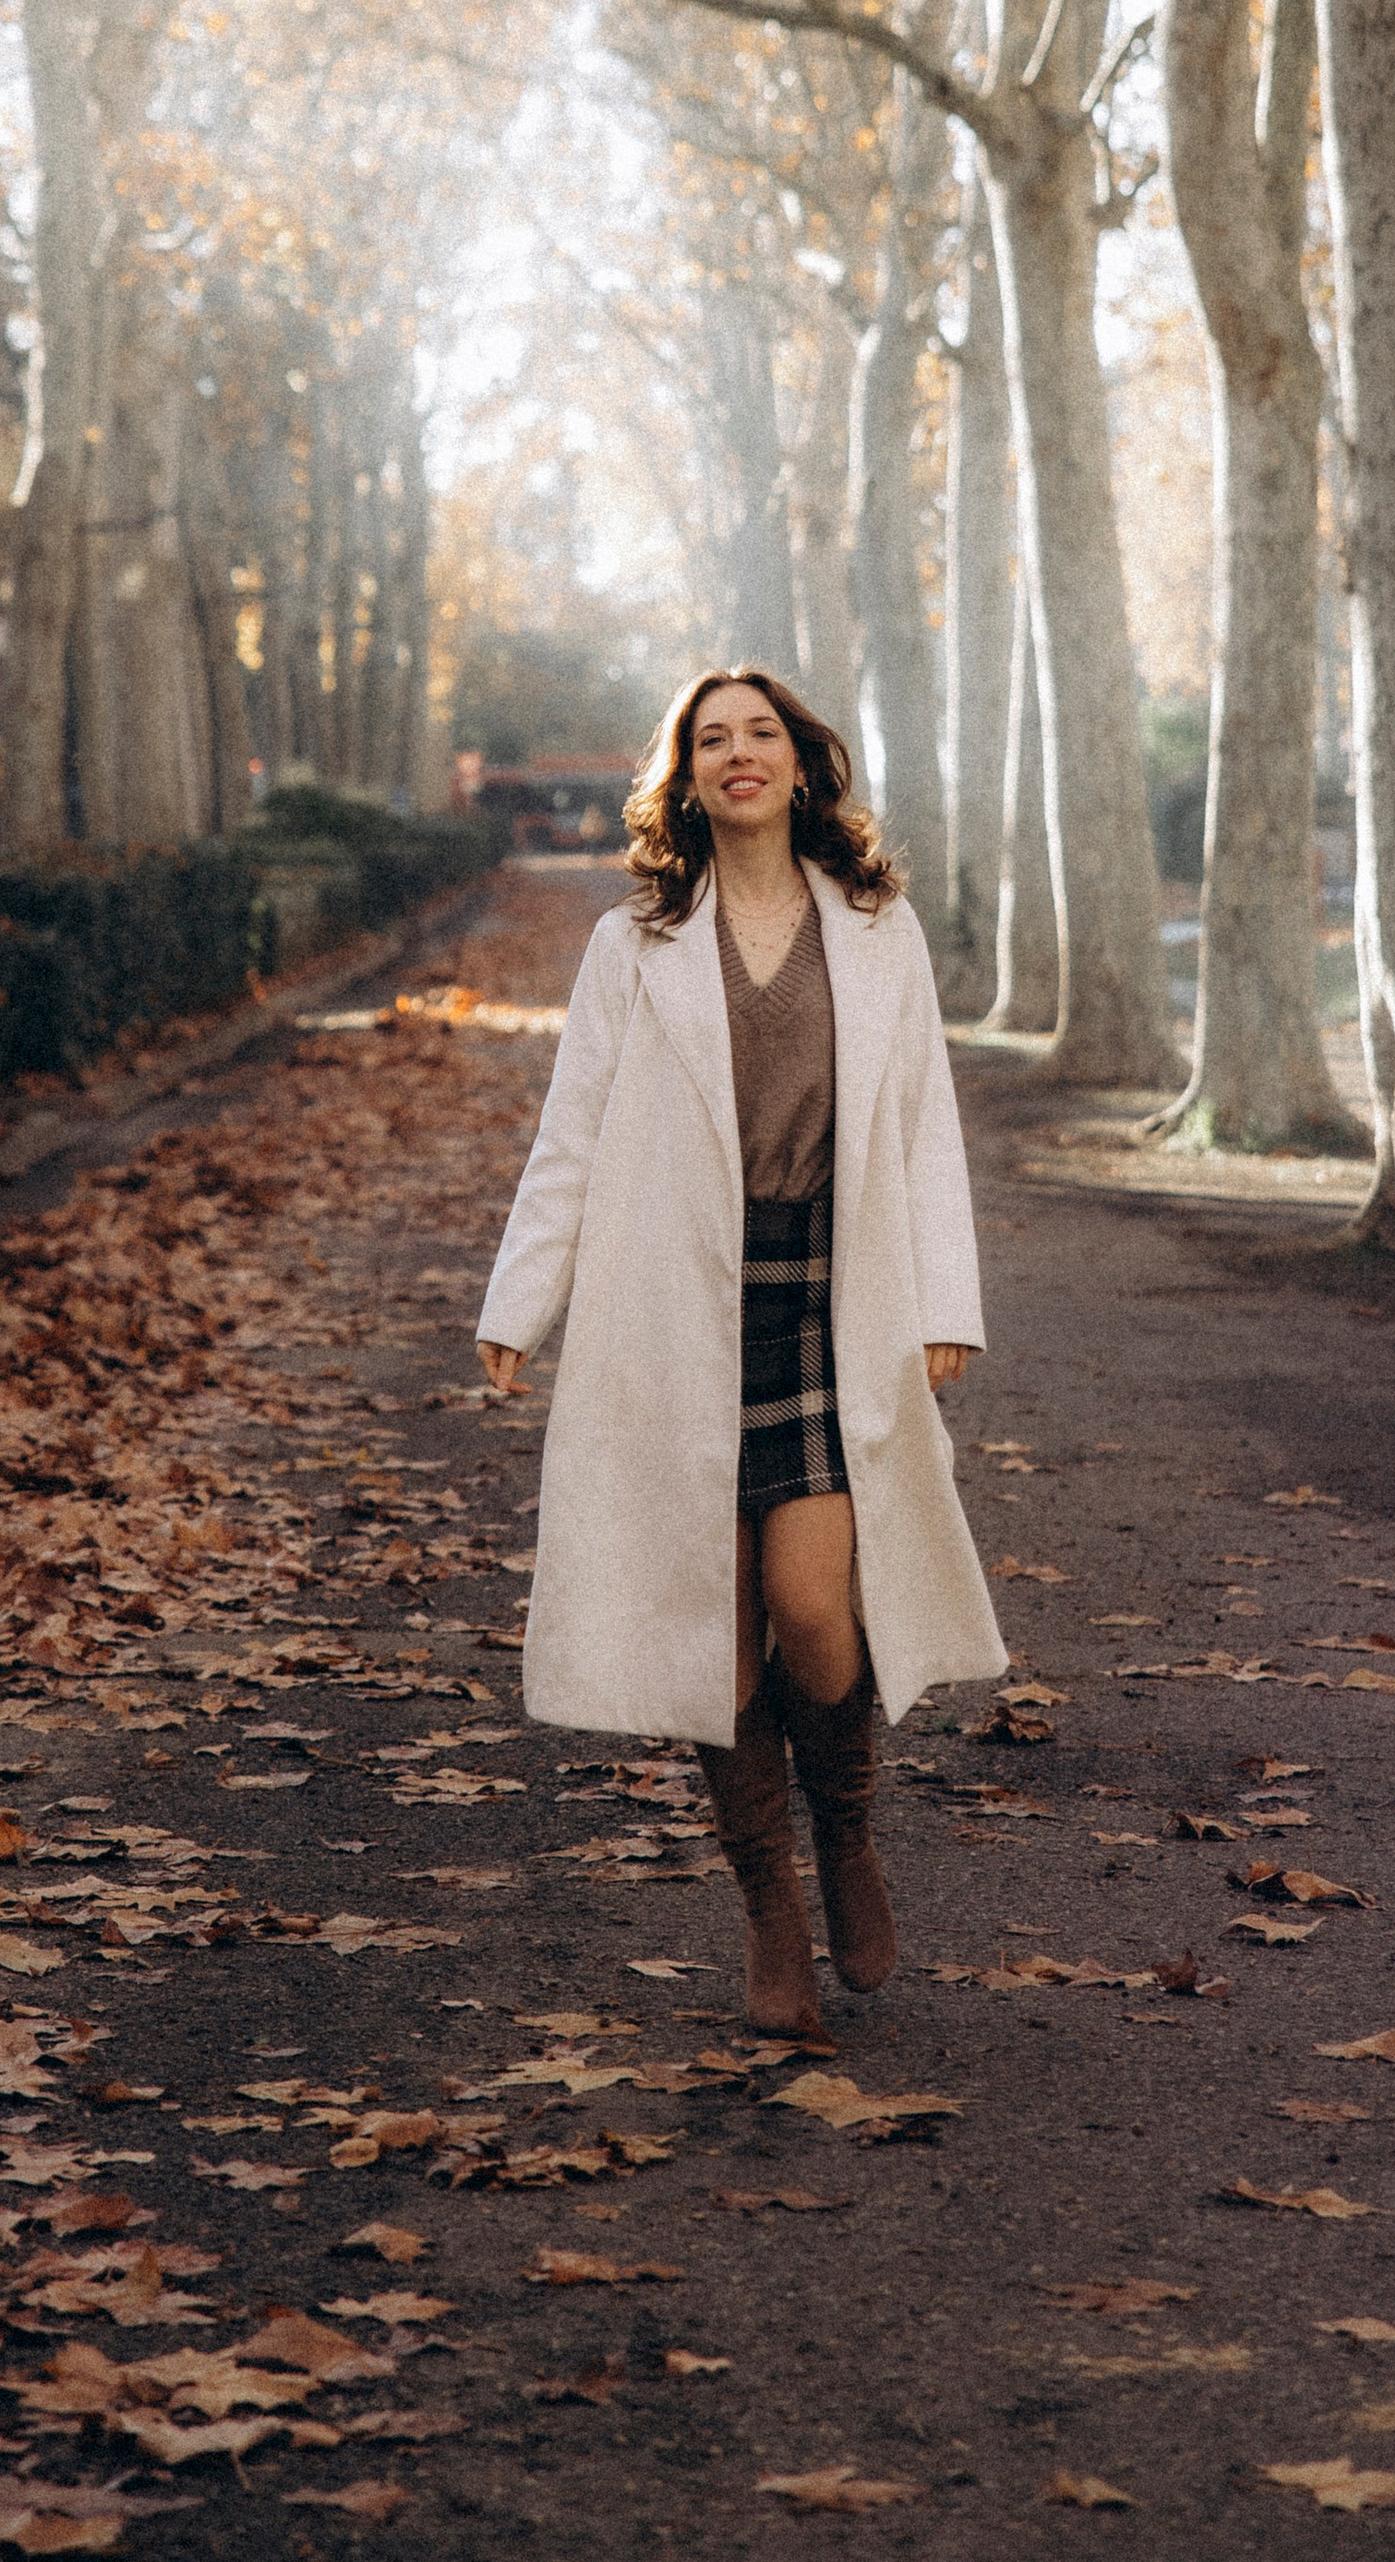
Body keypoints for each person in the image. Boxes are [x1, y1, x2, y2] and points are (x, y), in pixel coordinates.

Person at [475, 665, 1004, 2038]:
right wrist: (517, 1305)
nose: (738, 754)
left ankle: (849, 1834)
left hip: (832, 1303)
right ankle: (770, 1906)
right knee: (714, 1638)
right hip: (673, 1312)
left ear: (803, 762)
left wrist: (950, 1297)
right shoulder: (633, 942)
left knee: (816, 1608)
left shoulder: (880, 930)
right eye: (711, 740)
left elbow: (924, 1125)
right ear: (687, 777)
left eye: (760, 732)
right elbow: (574, 1134)